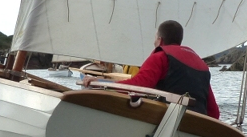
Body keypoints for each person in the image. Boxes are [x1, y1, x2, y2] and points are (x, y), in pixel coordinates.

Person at [83, 20, 220, 118]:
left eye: (155, 39)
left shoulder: (160, 56)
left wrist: (102, 84)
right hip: (197, 122)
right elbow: (213, 111)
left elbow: (140, 85)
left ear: (160, 40)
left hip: (168, 120)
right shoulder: (202, 64)